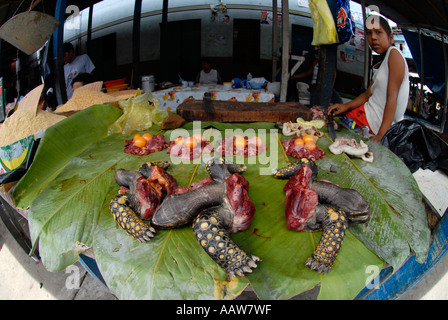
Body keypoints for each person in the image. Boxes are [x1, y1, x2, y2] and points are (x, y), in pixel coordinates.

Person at [328, 15, 409, 143]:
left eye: (378, 32)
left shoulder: (394, 54)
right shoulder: (381, 64)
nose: (373, 38)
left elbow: (392, 97)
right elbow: (367, 94)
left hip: (373, 122)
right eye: (369, 33)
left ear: (391, 37)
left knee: (329, 128)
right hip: (365, 115)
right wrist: (346, 106)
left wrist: (381, 135)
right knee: (330, 120)